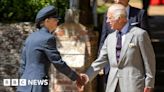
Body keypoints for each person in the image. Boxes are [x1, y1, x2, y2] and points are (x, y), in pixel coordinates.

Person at [78, 4, 156, 92]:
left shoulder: (140, 35)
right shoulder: (110, 38)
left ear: (119, 18)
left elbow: (149, 61)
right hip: (112, 86)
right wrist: (86, 76)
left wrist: (149, 83)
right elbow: (100, 61)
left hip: (134, 85)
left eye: (110, 18)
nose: (107, 21)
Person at [17, 5, 84, 92]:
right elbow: (58, 63)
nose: (57, 21)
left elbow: (22, 65)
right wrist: (76, 77)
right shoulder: (48, 38)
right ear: (47, 21)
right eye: (55, 19)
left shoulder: (30, 37)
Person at [98, 0, 149, 85]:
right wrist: (100, 62)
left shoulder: (140, 14)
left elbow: (146, 43)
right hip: (111, 67)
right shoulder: (108, 14)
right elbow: (103, 39)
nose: (118, 1)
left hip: (133, 68)